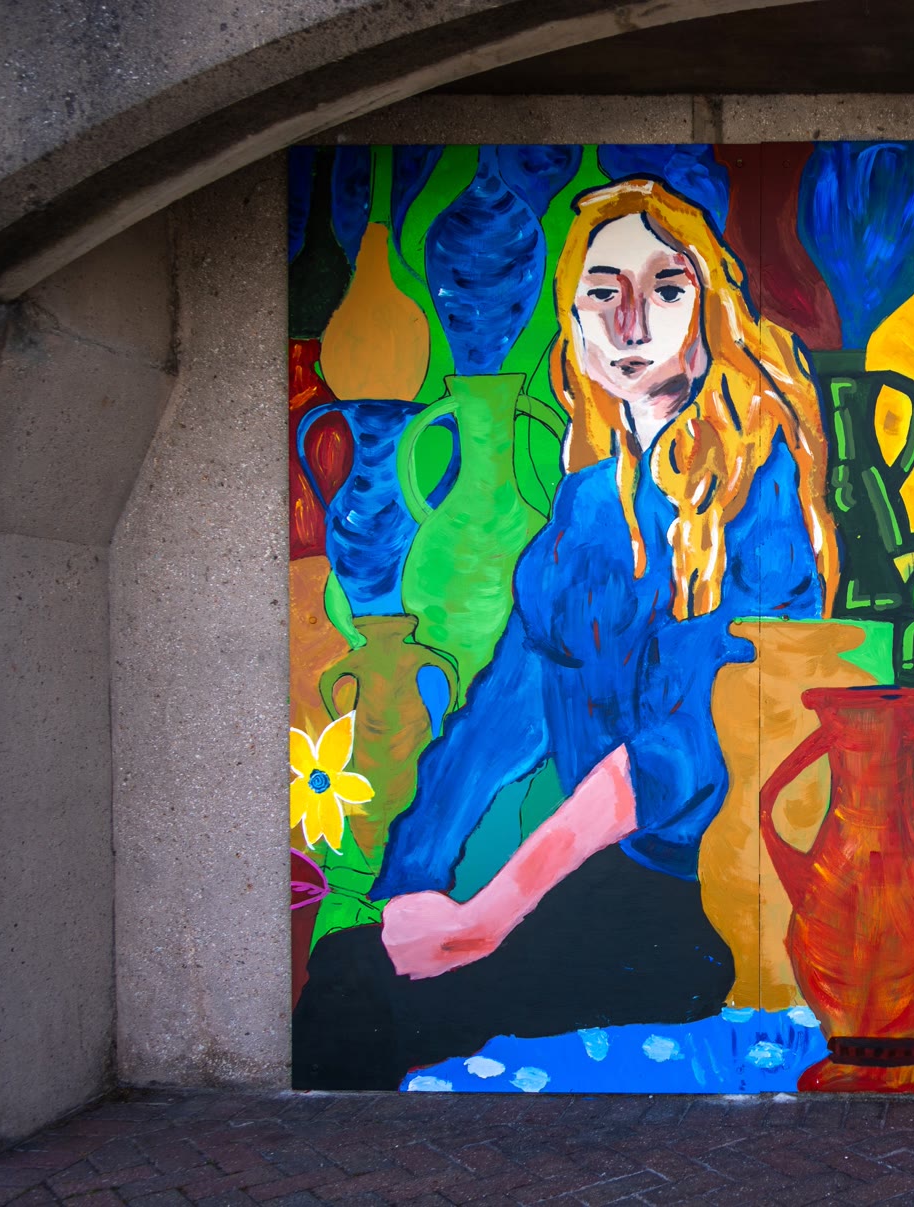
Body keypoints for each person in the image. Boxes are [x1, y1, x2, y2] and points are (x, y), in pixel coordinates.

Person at [293, 177, 837, 1090]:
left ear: (709, 310)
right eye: (603, 292)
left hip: (712, 896)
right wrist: (413, 883)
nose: (631, 322)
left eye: (666, 289)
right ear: (574, 325)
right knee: (354, 961)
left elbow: (684, 751)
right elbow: (500, 717)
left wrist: (484, 917)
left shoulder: (759, 486)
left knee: (370, 1000)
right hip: (606, 881)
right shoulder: (587, 506)